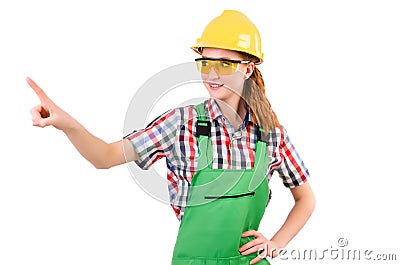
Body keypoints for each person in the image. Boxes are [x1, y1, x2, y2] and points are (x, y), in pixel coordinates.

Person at [28, 10, 315, 265]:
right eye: (206, 62)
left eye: (225, 64)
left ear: (248, 68)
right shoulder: (181, 124)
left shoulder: (270, 134)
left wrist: (276, 243)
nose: (212, 72)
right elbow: (104, 157)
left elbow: (305, 199)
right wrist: (65, 123)